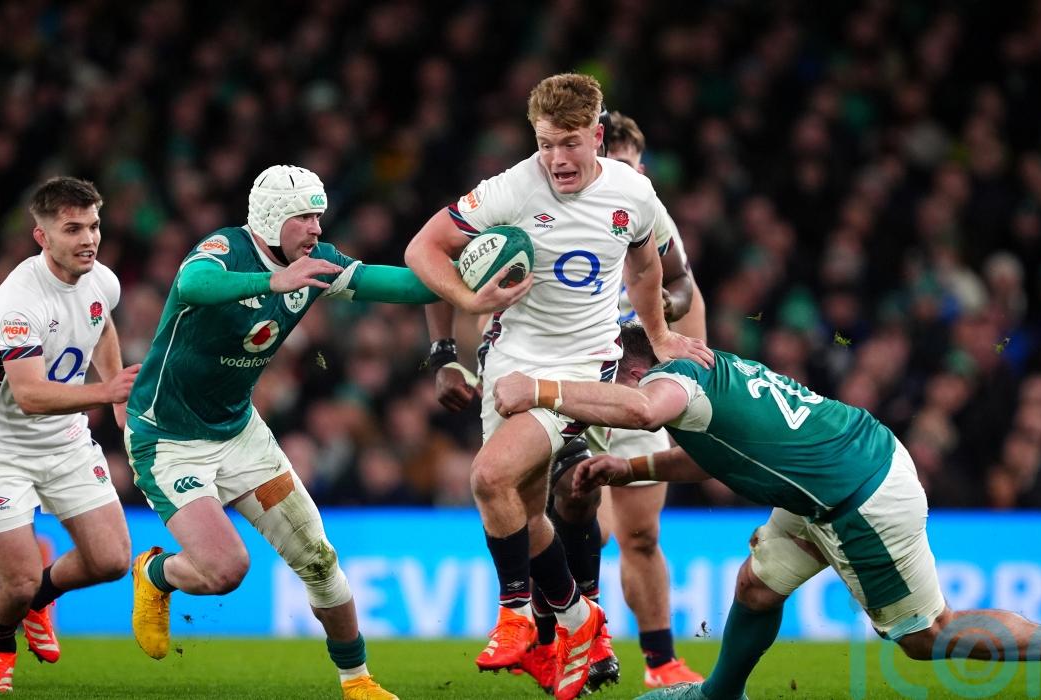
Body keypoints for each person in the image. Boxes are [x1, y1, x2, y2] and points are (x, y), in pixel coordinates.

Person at [493, 323, 1041, 700]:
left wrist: (544, 390)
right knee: (756, 586)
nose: (606, 385)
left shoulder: (670, 384)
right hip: (836, 472)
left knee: (926, 637)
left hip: (859, 500)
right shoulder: (709, 374)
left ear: (633, 365)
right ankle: (718, 698)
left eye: (609, 371)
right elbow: (716, 454)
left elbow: (646, 409)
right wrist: (630, 468)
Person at [405, 73, 712, 700]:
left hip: (580, 366)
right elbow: (423, 249)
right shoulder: (513, 188)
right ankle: (578, 619)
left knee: (489, 477)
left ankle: (518, 614)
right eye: (545, 144)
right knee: (520, 507)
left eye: (569, 143)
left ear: (597, 136)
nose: (557, 159)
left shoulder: (634, 192)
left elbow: (648, 268)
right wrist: (469, 301)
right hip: (506, 363)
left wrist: (659, 337)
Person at [125, 165, 439, 700]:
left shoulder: (317, 263)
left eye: (319, 216)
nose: (317, 227)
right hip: (169, 440)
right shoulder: (226, 248)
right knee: (225, 570)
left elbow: (401, 285)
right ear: (272, 218)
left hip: (240, 434)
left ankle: (357, 681)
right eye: (305, 217)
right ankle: (156, 574)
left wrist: (467, 279)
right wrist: (273, 281)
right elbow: (192, 283)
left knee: (319, 559)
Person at [521, 111, 706, 693]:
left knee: (641, 535)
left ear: (640, 170)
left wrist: (667, 320)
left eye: (629, 167)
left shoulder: (651, 216)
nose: (620, 177)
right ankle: (561, 639)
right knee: (574, 518)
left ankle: (661, 660)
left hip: (636, 392)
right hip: (569, 384)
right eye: (611, 165)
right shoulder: (547, 209)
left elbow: (685, 288)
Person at [0, 177, 140, 693]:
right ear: (42, 236)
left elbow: (102, 326)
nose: (89, 239)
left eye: (94, 226)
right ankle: (1, 643)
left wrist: (117, 393)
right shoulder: (17, 302)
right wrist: (106, 393)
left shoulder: (102, 280)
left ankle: (38, 602)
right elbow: (30, 395)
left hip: (65, 442)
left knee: (111, 560)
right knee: (14, 580)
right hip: (5, 451)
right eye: (73, 229)